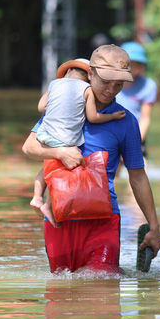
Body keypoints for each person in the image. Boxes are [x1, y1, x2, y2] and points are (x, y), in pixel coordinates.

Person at [22, 44, 160, 274]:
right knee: (61, 294)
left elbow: (137, 176)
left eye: (118, 85)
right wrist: (59, 153)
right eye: (105, 82)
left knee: (103, 282)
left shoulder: (126, 122)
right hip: (59, 218)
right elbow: (29, 148)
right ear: (90, 74)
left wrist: (154, 227)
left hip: (104, 221)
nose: (111, 90)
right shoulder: (61, 110)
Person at [29, 58, 126, 228]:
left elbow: (41, 107)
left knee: (49, 165)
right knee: (65, 165)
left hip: (45, 132)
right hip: (64, 137)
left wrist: (59, 106)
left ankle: (37, 197)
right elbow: (92, 117)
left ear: (67, 72)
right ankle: (48, 205)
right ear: (90, 77)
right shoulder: (86, 90)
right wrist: (112, 116)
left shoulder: (54, 84)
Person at [115, 41, 157, 158]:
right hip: (112, 132)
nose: (136, 67)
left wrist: (134, 144)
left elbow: (145, 118)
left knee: (140, 168)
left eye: (138, 64)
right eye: (131, 63)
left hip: (136, 134)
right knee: (112, 171)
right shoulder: (110, 83)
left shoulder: (148, 85)